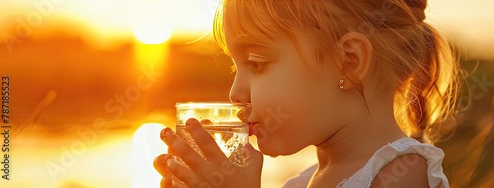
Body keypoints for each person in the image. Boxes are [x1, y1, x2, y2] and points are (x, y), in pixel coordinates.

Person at [153, 0, 461, 187]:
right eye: (237, 68)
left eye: (257, 65)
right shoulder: (304, 181)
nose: (236, 93)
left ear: (349, 62)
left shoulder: (400, 174)